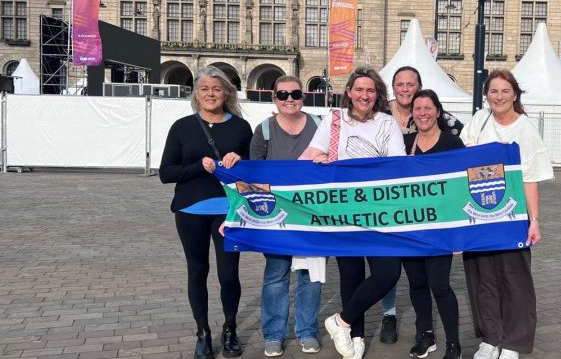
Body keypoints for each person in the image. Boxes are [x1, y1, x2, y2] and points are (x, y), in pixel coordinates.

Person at [299, 67, 406, 359]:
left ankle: (341, 321)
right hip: (342, 211)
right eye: (359, 89)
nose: (364, 95)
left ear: (377, 94)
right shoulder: (334, 119)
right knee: (351, 276)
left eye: (370, 90)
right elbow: (311, 153)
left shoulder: (387, 123)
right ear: (349, 92)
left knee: (388, 273)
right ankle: (356, 338)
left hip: (378, 212)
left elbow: (397, 165)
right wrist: (319, 158)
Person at [458, 70, 553, 359]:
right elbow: (462, 161)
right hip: (479, 213)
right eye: (493, 91)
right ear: (486, 95)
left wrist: (534, 221)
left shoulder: (526, 129)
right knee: (482, 279)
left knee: (514, 280)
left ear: (515, 95)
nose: (499, 97)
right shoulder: (479, 120)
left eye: (505, 91)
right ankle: (490, 338)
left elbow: (530, 179)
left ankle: (513, 342)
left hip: (512, 215)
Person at [159, 66, 252, 359]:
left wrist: (241, 161)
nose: (210, 94)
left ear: (226, 93)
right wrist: (198, 166)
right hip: (190, 210)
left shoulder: (241, 128)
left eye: (216, 89)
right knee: (197, 271)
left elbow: (254, 172)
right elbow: (166, 173)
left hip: (229, 210)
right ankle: (202, 332)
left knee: (229, 274)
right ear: (196, 94)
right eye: (204, 89)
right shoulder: (182, 127)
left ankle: (230, 328)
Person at [250, 76, 323, 357]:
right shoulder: (264, 129)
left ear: (303, 96)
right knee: (276, 274)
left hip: (312, 213)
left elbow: (333, 160)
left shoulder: (319, 125)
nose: (289, 99)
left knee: (310, 274)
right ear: (274, 98)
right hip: (277, 215)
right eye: (282, 94)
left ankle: (307, 331)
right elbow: (254, 172)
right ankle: (274, 334)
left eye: (294, 93)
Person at [402, 90, 464, 359]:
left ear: (438, 111)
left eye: (428, 108)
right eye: (417, 108)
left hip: (441, 228)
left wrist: (461, 232)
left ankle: (453, 343)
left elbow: (462, 186)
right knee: (417, 283)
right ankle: (426, 335)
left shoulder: (452, 143)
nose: (423, 113)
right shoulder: (404, 143)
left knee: (439, 285)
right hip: (410, 227)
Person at [389, 66, 464, 136]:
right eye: (400, 85)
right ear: (393, 87)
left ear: (420, 88)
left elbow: (465, 137)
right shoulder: (383, 113)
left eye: (410, 85)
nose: (405, 89)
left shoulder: (437, 117)